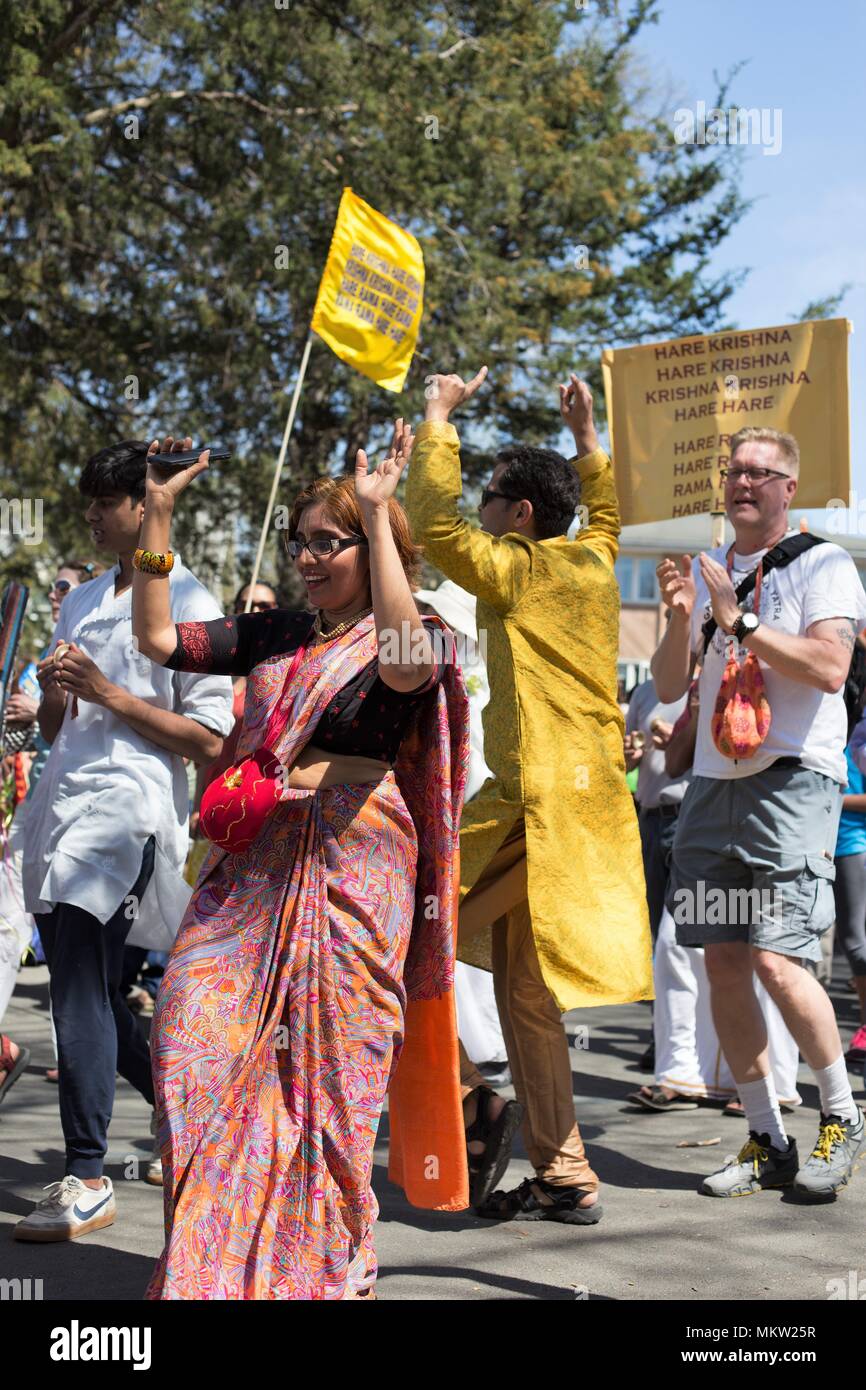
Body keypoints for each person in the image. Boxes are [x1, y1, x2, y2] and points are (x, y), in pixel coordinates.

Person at [132, 425, 470, 1300]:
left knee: (331, 1080)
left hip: (356, 870)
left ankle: (322, 1258)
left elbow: (400, 672)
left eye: (330, 540)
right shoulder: (279, 631)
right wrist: (158, 522)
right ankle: (212, 1259)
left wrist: (388, 508)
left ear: (376, 547)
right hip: (251, 870)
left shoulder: (417, 636)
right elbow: (161, 642)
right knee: (188, 1039)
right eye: (302, 539)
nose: (310, 555)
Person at [406, 369, 652, 1224]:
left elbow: (433, 526)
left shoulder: (517, 570)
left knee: (403, 938)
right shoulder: (595, 557)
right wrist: (589, 440)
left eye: (490, 496)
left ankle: (477, 1099)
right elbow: (612, 515)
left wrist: (438, 419)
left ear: (518, 516)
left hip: (529, 809)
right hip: (583, 812)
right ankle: (566, 1172)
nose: (478, 507)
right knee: (526, 1000)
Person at [13, 442, 234, 1242]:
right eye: (90, 504)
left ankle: (87, 1173)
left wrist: (105, 690)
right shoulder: (78, 602)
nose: (94, 517)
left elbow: (210, 738)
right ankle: (201, 1118)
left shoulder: (192, 598)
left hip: (127, 820)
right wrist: (47, 698)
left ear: (147, 506)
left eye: (108, 502)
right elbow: (62, 725)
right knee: (97, 994)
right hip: (61, 810)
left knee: (78, 987)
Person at [652, 424, 866, 1199]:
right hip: (714, 786)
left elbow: (831, 666)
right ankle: (763, 1137)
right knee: (725, 961)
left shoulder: (823, 564)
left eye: (758, 472)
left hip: (791, 780)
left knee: (779, 958)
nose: (741, 482)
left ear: (788, 488)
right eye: (732, 470)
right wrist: (683, 615)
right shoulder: (712, 569)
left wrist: (739, 619)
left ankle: (841, 1117)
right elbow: (673, 688)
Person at [0, 561, 103, 1097]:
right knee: (12, 925)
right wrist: (21, 714)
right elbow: (16, 741)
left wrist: (47, 707)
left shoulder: (113, 642)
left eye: (67, 586)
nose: (57, 594)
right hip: (34, 813)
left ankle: (106, 1077)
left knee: (84, 961)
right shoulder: (36, 662)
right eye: (54, 587)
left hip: (96, 821)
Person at [839, 715, 866, 1063]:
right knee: (850, 939)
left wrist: (831, 798)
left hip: (852, 844)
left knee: (858, 942)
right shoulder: (850, 742)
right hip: (823, 846)